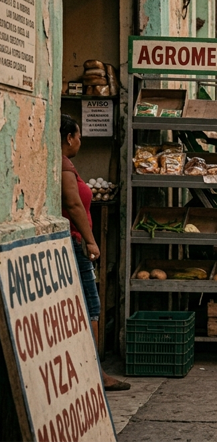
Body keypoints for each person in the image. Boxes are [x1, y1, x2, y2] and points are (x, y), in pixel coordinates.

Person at [60, 115, 131, 391]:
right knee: (91, 306)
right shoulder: (64, 166)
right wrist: (91, 241)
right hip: (76, 242)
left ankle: (87, 369)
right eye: (78, 136)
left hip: (73, 241)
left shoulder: (64, 164)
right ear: (69, 138)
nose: (80, 141)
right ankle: (95, 373)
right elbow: (74, 205)